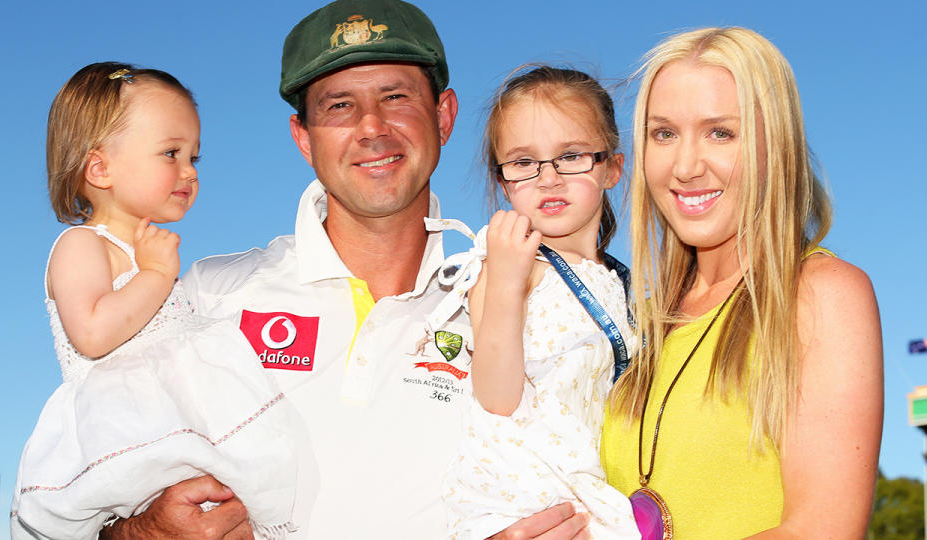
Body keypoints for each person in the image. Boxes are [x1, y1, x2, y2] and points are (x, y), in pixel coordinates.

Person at [100, 2, 591, 539]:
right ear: (303, 137)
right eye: (338, 106)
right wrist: (138, 532)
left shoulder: (517, 308)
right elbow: (59, 498)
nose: (372, 127)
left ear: (444, 116)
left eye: (396, 97)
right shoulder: (207, 295)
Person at [600, 27, 884, 538]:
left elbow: (823, 529)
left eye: (720, 133)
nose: (685, 166)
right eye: (664, 134)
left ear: (775, 145)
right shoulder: (629, 322)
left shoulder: (822, 295)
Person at [10, 62, 297, 539]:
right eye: (171, 153)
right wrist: (157, 274)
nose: (189, 172)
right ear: (99, 168)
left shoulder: (146, 252)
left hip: (176, 429)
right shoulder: (82, 245)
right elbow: (94, 333)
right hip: (127, 431)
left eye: (194, 158)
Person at [427, 66, 639, 539]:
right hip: (521, 493)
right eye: (524, 162)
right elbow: (498, 397)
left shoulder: (619, 283)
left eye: (571, 156)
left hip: (585, 486)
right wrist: (505, 282)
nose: (549, 178)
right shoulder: (508, 268)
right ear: (503, 182)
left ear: (611, 168)